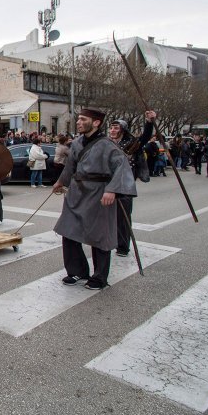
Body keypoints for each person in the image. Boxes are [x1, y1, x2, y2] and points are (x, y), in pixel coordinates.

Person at [52, 108, 136, 291]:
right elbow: (70, 167)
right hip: (76, 192)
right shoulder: (76, 143)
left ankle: (99, 277)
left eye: (83, 119)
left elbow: (122, 168)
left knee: (100, 236)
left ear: (96, 122)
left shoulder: (108, 145)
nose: (79, 122)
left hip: (99, 194)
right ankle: (77, 271)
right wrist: (60, 182)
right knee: (68, 230)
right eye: (78, 119)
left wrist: (112, 190)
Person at [107, 110, 156, 257]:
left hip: (125, 186)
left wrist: (149, 122)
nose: (112, 130)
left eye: (116, 128)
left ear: (123, 130)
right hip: (108, 185)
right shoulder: (106, 143)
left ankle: (122, 247)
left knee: (123, 218)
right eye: (111, 128)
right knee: (106, 216)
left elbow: (145, 137)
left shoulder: (130, 144)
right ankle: (107, 241)